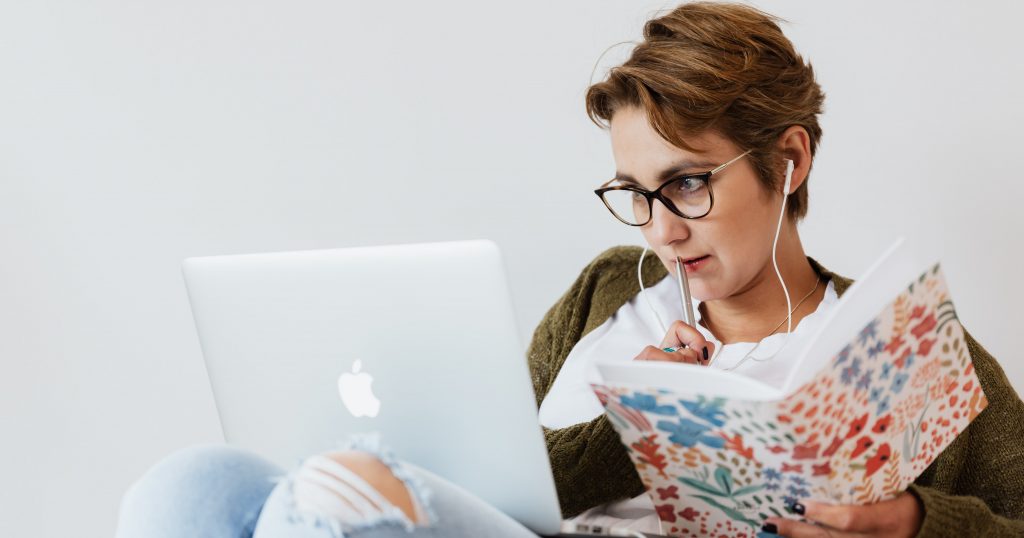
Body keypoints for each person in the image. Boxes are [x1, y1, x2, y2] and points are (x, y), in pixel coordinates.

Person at [116, 2, 1024, 538]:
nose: (661, 230)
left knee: (329, 493)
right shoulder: (606, 292)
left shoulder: (901, 347)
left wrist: (917, 524)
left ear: (789, 160)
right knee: (193, 485)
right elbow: (489, 483)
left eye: (689, 185)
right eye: (635, 192)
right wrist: (633, 427)